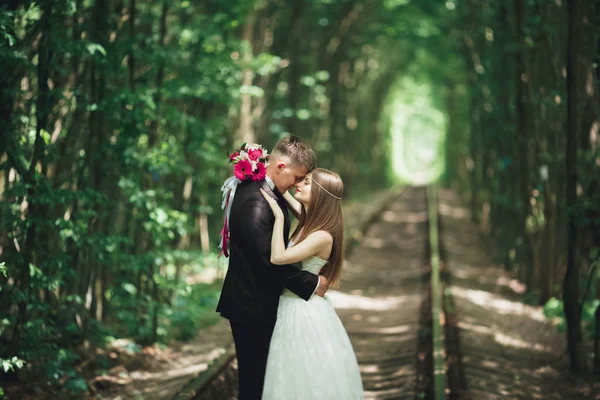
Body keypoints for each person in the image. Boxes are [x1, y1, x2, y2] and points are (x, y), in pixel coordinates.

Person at [216, 136, 330, 400]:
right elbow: (268, 262)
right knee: (255, 383)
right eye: (297, 177)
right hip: (252, 306)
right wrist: (312, 283)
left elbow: (307, 218)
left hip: (261, 302)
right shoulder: (256, 203)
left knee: (268, 381)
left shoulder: (269, 190)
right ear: (280, 167)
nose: (297, 184)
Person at [260, 168, 364, 399]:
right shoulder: (308, 223)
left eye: (307, 183)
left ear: (321, 194)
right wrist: (265, 173)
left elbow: (277, 257)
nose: (300, 184)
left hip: (303, 311)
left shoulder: (321, 235)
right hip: (292, 305)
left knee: (306, 376)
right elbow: (284, 191)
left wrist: (278, 217)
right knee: (288, 376)